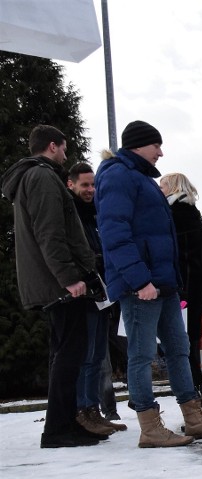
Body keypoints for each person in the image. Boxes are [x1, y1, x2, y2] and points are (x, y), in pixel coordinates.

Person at [95, 120, 202, 448]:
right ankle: (150, 428)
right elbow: (115, 233)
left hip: (165, 284)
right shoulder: (118, 176)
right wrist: (139, 280)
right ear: (138, 145)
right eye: (155, 145)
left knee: (179, 350)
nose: (161, 152)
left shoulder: (141, 178)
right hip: (142, 286)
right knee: (142, 355)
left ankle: (194, 420)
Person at [0, 125, 106, 448]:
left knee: (64, 353)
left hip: (50, 283)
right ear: (51, 146)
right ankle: (58, 429)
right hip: (58, 285)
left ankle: (63, 424)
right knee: (69, 354)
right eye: (63, 147)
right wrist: (70, 279)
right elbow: (51, 235)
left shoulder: (31, 178)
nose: (65, 153)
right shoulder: (43, 178)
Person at [66, 162, 126, 433]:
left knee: (98, 354)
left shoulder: (95, 215)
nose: (90, 189)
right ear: (71, 185)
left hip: (102, 293)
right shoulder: (72, 214)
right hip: (85, 292)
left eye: (93, 185)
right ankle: (82, 411)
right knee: (87, 355)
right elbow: (79, 252)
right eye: (85, 185)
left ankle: (94, 410)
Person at [159, 172, 202, 422]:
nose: (159, 189)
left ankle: (201, 404)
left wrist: (180, 291)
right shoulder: (189, 211)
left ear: (173, 187)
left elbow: (182, 256)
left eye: (162, 185)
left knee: (183, 347)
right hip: (192, 288)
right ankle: (201, 403)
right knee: (186, 346)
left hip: (185, 291)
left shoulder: (179, 213)